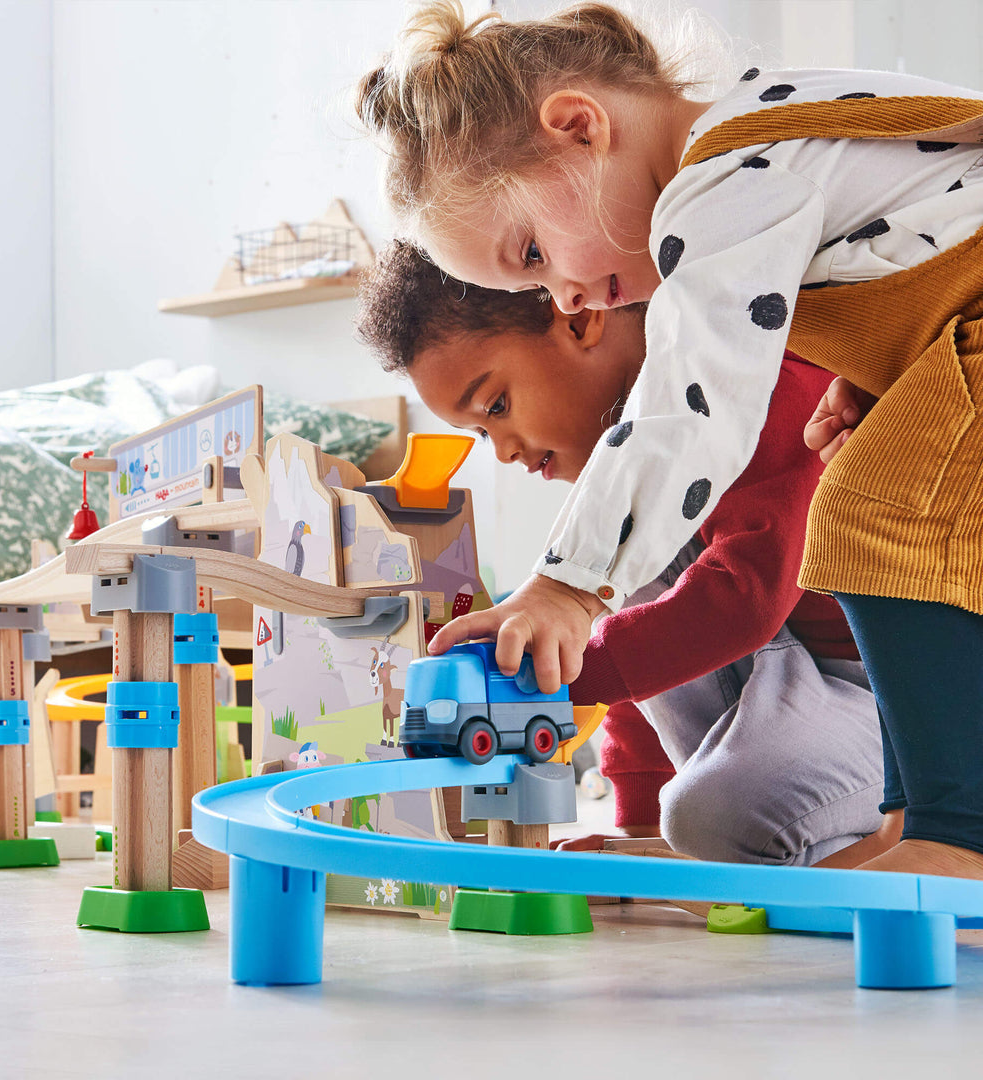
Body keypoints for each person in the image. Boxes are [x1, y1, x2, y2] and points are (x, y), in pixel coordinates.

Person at [355, 2, 983, 880]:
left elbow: (689, 410)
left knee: (877, 506)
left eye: (534, 253)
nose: (567, 296)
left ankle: (959, 838)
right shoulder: (761, 139)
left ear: (578, 128)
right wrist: (881, 375)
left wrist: (567, 590)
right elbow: (915, 232)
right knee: (857, 509)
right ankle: (917, 821)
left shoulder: (721, 185)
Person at [356, 240, 886, 867]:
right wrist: (635, 832)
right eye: (480, 431)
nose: (501, 450)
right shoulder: (616, 505)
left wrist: (565, 680)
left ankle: (924, 832)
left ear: (581, 320)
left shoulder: (763, 381)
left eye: (496, 406)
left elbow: (744, 600)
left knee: (714, 818)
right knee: (612, 567)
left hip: (886, 699)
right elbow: (646, 653)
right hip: (787, 691)